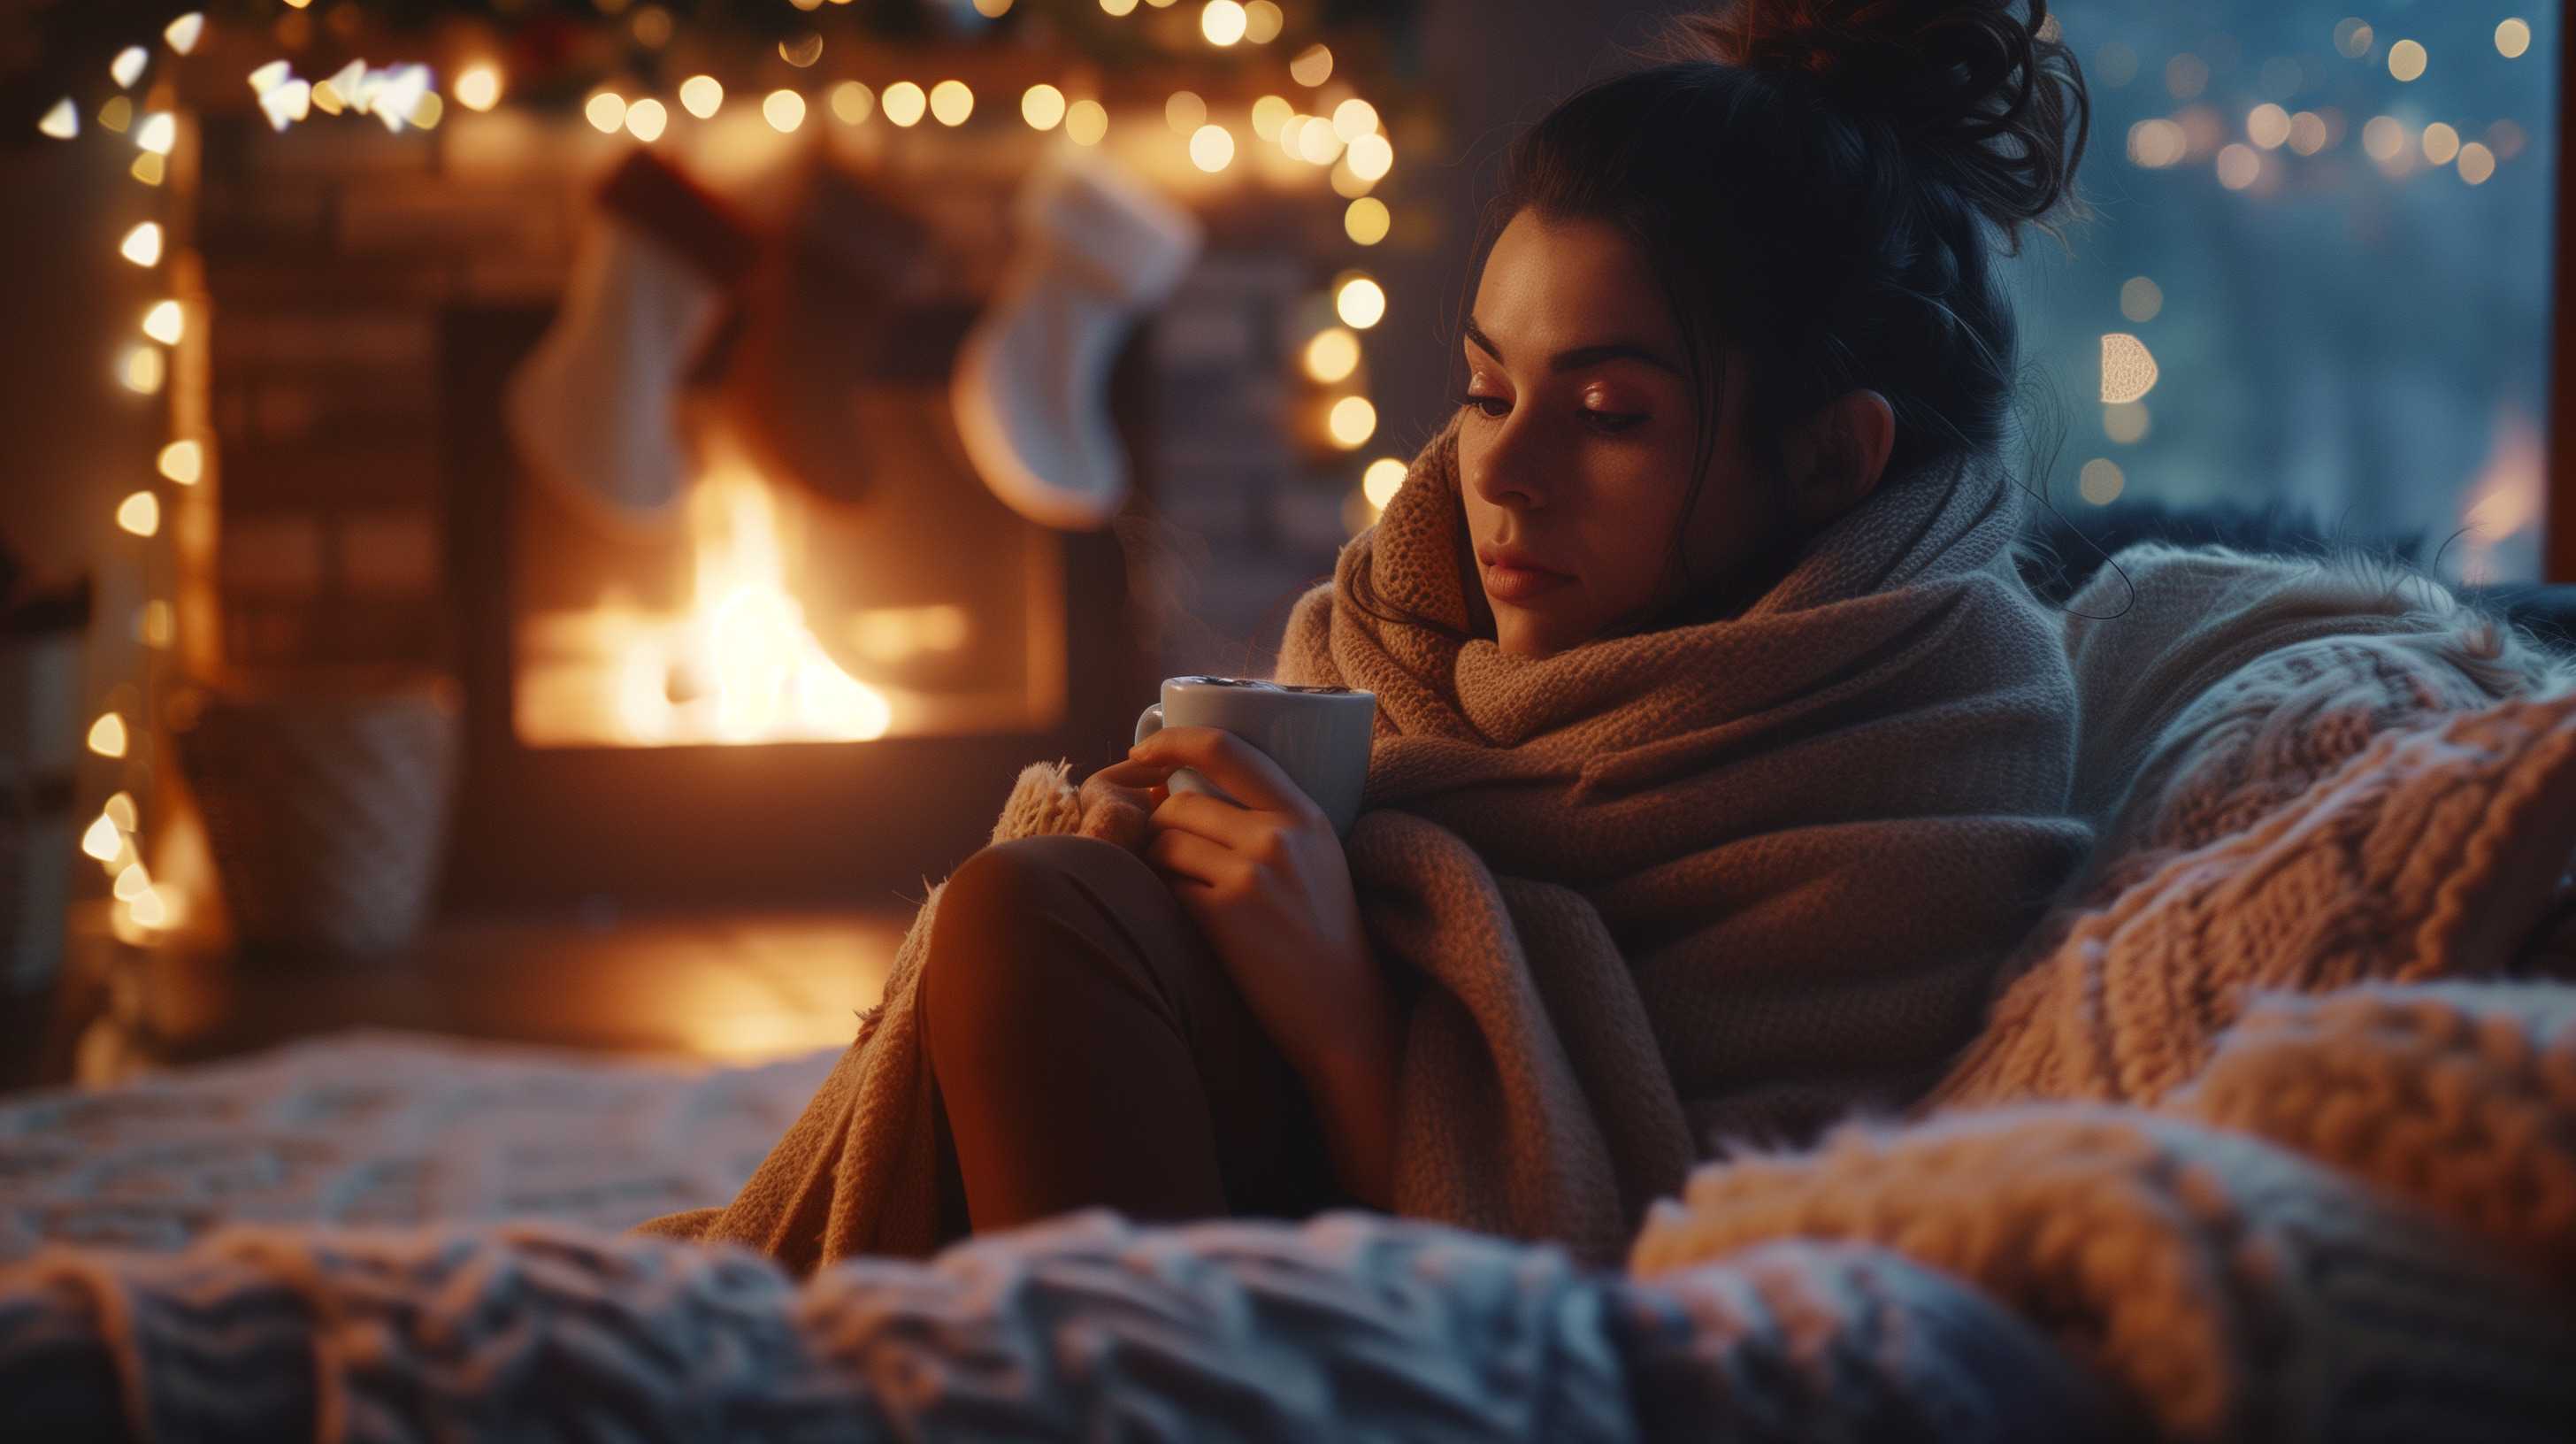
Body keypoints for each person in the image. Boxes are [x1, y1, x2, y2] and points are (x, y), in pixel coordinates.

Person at [638, 0, 2099, 1270]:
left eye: (1608, 415)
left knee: (1031, 927)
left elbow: (1690, 1284)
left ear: (1834, 461)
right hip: (1251, 1212)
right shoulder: (1390, 657)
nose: (1498, 474)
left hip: (1400, 1274)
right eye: (1484, 387)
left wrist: (1346, 1014)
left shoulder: (1919, 746)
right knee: (1036, 906)